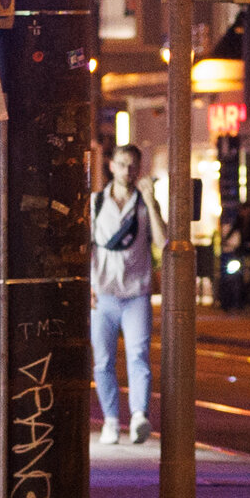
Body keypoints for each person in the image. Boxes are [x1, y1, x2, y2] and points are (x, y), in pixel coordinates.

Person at [86, 161, 158, 447]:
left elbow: (163, 240)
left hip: (136, 293)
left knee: (137, 356)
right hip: (102, 293)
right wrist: (87, 284)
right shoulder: (97, 202)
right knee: (103, 361)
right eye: (123, 165)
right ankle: (112, 420)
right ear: (112, 166)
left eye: (132, 166)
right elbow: (85, 243)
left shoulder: (143, 204)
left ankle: (139, 415)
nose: (127, 171)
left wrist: (152, 203)